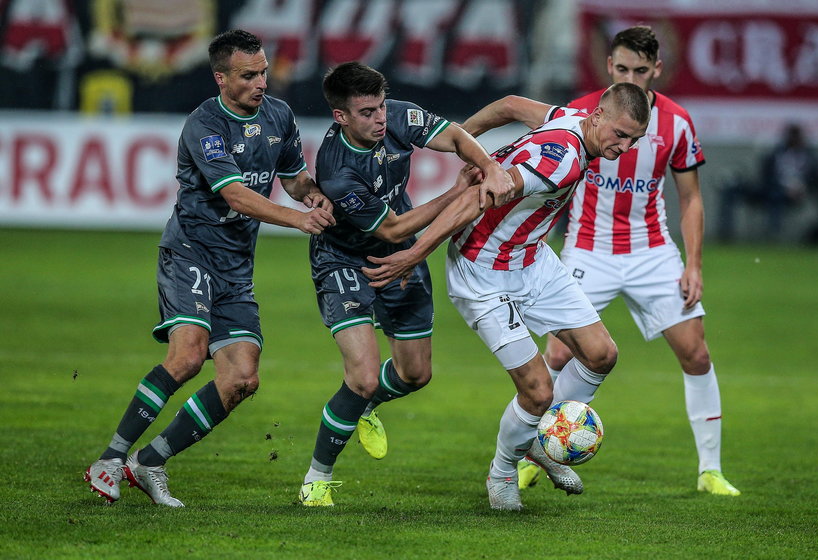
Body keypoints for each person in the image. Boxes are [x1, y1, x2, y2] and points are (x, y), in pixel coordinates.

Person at [363, 82, 651, 510]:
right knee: (537, 391)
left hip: (531, 259)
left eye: (634, 140)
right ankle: (502, 474)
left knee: (601, 354)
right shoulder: (563, 162)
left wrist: (463, 140)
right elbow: (479, 198)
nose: (625, 146)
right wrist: (415, 253)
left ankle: (544, 438)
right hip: (483, 272)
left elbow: (511, 105)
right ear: (598, 117)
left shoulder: (567, 118)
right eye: (620, 134)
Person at [84, 29, 335, 507]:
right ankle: (110, 459)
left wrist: (316, 195)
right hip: (192, 252)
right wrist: (300, 220)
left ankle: (150, 461)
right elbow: (235, 194)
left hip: (236, 267)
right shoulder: (205, 124)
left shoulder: (280, 115)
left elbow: (295, 178)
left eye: (263, 71)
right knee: (188, 356)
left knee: (242, 377)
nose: (261, 82)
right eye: (248, 75)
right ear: (221, 78)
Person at [509, 26, 739, 496]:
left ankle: (710, 470)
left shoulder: (675, 122)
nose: (630, 76)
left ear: (656, 69)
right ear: (608, 66)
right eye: (621, 68)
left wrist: (693, 264)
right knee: (557, 351)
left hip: (651, 251)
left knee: (696, 352)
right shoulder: (580, 113)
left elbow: (690, 199)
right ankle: (538, 450)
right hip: (589, 248)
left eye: (640, 69)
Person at [298, 61, 514, 507]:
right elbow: (393, 230)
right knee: (360, 376)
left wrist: (489, 166)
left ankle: (368, 406)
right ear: (341, 116)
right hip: (346, 259)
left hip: (401, 252)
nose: (380, 118)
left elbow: (455, 136)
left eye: (381, 107)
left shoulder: (396, 116)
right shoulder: (337, 171)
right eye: (367, 112)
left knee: (416, 373)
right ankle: (316, 479)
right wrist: (458, 193)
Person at [718, 123, 818, 243]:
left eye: (796, 136)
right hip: (770, 188)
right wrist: (782, 186)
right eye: (791, 136)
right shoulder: (775, 154)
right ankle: (725, 233)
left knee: (776, 196)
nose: (793, 139)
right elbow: (764, 177)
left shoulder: (810, 159)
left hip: (792, 196)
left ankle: (773, 234)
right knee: (731, 190)